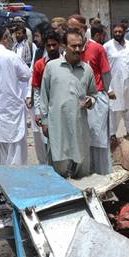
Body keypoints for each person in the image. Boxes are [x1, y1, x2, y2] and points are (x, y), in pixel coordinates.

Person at [40, 29, 97, 179]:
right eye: (73, 46)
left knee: (81, 165)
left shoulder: (87, 69)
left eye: (80, 45)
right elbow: (44, 95)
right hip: (57, 124)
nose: (77, 49)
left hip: (79, 124)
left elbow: (94, 94)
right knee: (59, 164)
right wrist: (44, 121)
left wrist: (90, 101)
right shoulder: (52, 67)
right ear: (64, 46)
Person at [68, 15, 112, 175]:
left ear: (84, 29)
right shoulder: (68, 50)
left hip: (96, 100)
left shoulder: (97, 48)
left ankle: (102, 176)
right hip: (75, 100)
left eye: (76, 29)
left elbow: (106, 75)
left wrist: (103, 93)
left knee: (98, 143)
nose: (73, 32)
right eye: (70, 29)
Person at [0, 26, 31, 166]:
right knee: (16, 148)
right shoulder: (11, 56)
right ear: (5, 38)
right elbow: (26, 75)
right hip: (12, 108)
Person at [28, 31, 61, 164]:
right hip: (46, 109)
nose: (52, 48)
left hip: (63, 108)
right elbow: (36, 90)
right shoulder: (39, 65)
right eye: (49, 45)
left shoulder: (67, 62)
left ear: (59, 44)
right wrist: (38, 112)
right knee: (48, 143)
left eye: (54, 45)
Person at [104, 24, 129, 145]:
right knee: (113, 111)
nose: (117, 33)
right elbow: (104, 69)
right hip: (114, 85)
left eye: (120, 31)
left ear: (124, 32)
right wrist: (108, 88)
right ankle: (112, 136)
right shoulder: (107, 46)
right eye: (115, 32)